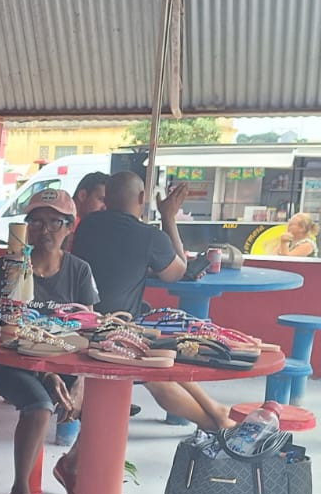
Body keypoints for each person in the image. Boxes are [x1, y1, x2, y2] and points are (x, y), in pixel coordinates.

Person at [70, 171, 233, 432]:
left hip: (81, 322)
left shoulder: (88, 226)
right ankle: (216, 420)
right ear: (143, 198)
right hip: (113, 331)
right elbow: (177, 272)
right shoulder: (149, 237)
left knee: (158, 361)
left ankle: (216, 414)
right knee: (161, 364)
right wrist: (168, 216)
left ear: (107, 199)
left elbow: (112, 261)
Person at [0, 188, 97, 494]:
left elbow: (87, 334)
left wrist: (81, 384)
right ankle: (19, 493)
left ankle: (70, 466)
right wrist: (47, 374)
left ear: (69, 227)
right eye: (36, 221)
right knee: (40, 406)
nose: (44, 229)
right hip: (9, 361)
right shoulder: (8, 266)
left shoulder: (78, 270)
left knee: (106, 405)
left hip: (64, 362)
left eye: (54, 222)